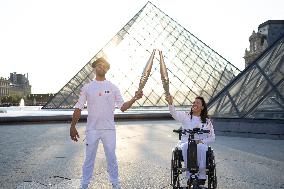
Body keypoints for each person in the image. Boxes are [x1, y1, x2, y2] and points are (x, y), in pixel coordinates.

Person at [70, 57, 143, 189]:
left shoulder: (113, 87)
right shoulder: (87, 87)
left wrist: (134, 98)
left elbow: (122, 106)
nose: (101, 67)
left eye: (104, 66)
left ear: (107, 69)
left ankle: (115, 183)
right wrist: (72, 126)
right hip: (92, 129)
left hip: (108, 129)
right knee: (89, 159)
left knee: (112, 158)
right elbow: (79, 107)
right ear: (95, 68)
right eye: (99, 65)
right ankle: (84, 184)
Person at [165, 94, 215, 186]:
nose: (194, 104)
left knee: (202, 147)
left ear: (202, 107)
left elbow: (212, 137)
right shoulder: (185, 116)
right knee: (186, 146)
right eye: (194, 102)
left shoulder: (207, 121)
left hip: (200, 143)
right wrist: (170, 102)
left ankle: (202, 176)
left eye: (197, 103)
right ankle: (190, 175)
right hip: (185, 142)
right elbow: (174, 114)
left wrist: (201, 141)